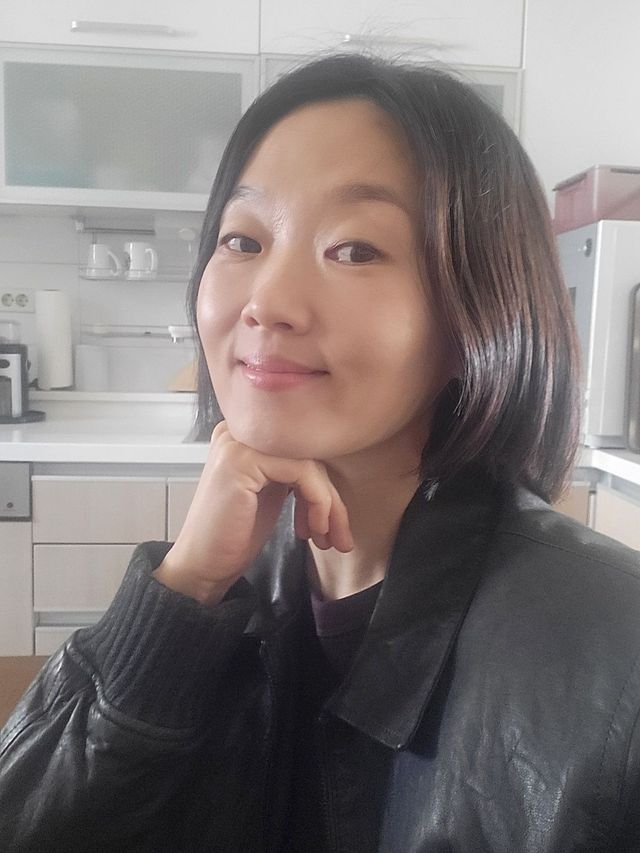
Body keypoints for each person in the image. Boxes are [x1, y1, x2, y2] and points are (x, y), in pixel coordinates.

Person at [1, 52, 639, 853]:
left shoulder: (616, 657)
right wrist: (179, 593)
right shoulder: (230, 580)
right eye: (243, 239)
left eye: (355, 250)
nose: (267, 301)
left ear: (475, 315)